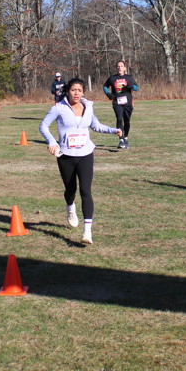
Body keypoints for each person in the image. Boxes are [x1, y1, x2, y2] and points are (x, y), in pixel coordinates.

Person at [39, 77, 122, 244]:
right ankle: (70, 208)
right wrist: (52, 142)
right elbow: (43, 126)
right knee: (70, 190)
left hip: (85, 154)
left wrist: (113, 130)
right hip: (66, 155)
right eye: (73, 90)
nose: (76, 93)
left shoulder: (88, 107)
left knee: (85, 191)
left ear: (83, 92)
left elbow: (96, 126)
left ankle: (87, 232)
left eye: (79, 90)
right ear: (67, 91)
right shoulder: (58, 108)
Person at [103, 61, 139, 149]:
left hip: (127, 102)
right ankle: (121, 139)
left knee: (127, 120)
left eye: (121, 66)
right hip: (117, 101)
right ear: (116, 68)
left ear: (124, 68)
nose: (120, 67)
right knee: (119, 118)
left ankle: (125, 137)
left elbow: (136, 88)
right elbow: (105, 86)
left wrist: (131, 86)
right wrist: (109, 94)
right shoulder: (112, 78)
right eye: (118, 66)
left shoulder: (128, 77)